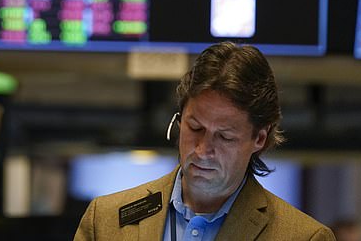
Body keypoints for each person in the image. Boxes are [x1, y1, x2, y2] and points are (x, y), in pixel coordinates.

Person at [74, 42, 335, 240]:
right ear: (179, 119)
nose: (202, 150)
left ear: (260, 138)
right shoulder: (106, 221)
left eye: (224, 137)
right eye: (195, 127)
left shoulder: (304, 237)